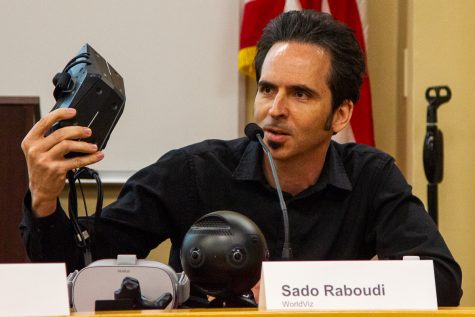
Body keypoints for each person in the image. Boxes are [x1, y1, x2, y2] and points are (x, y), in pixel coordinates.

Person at [20, 10, 462, 306]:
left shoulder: (370, 175)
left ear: (340, 114)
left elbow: (441, 282)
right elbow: (79, 272)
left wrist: (295, 291)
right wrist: (43, 200)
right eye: (267, 89)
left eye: (301, 94)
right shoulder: (193, 171)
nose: (275, 109)